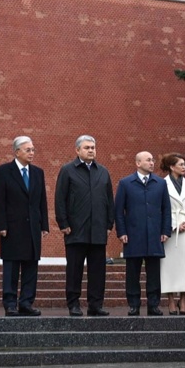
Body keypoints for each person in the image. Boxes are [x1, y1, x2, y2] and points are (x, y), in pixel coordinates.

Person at [55, 135, 114, 317]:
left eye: (93, 147)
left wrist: (108, 224)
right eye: (87, 147)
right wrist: (63, 223)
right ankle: (73, 304)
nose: (91, 150)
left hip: (98, 230)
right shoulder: (68, 170)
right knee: (74, 270)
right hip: (75, 230)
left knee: (97, 271)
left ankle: (95, 305)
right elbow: (60, 199)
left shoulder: (103, 172)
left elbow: (109, 201)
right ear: (77, 150)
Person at [0, 136, 49, 317]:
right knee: (12, 267)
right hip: (12, 227)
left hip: (32, 227)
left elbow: (42, 201)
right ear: (17, 152)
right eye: (28, 150)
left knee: (31, 266)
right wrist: (1, 225)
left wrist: (44, 225)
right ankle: (10, 303)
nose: (32, 153)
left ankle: (26, 302)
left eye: (33, 150)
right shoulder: (3, 171)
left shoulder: (38, 173)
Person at [115, 152, 171, 316]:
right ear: (138, 163)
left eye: (153, 159)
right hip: (133, 234)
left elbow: (166, 209)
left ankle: (153, 305)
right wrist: (122, 231)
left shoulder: (160, 183)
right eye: (148, 160)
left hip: (154, 234)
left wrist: (165, 230)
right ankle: (134, 304)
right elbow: (119, 211)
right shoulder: (126, 183)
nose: (152, 162)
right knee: (133, 273)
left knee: (154, 273)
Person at [160, 153, 185, 315]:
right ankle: (170, 299)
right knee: (169, 267)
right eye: (181, 164)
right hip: (170, 230)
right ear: (171, 167)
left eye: (184, 164)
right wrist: (173, 224)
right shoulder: (162, 184)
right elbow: (161, 206)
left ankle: (183, 299)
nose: (184, 167)